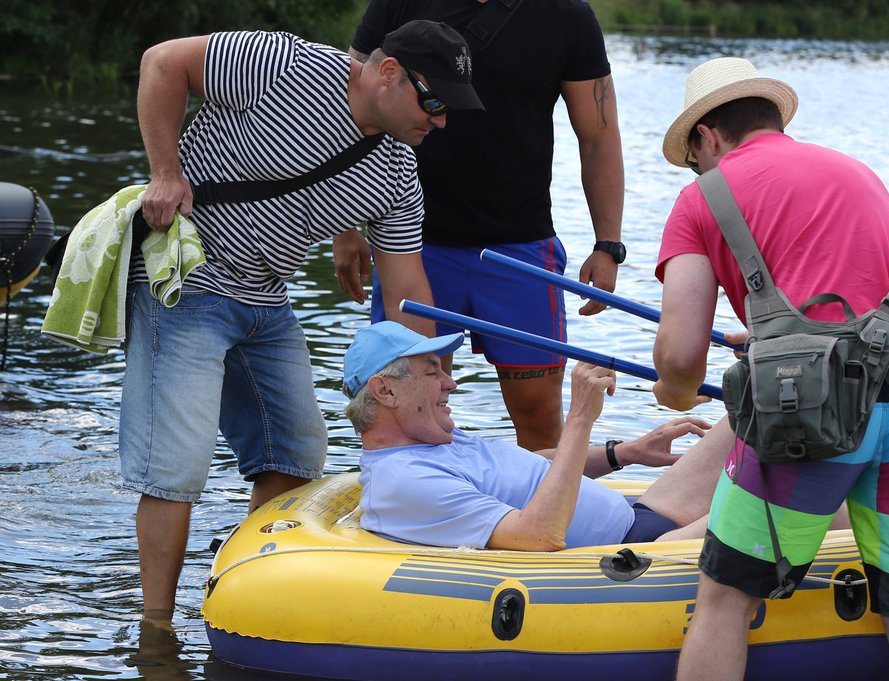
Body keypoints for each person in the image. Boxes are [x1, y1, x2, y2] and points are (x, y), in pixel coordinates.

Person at [125, 20, 484, 618]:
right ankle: (157, 631)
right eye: (435, 101)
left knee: (292, 453)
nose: (441, 120)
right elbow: (163, 61)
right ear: (388, 71)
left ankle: (237, 597)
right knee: (177, 466)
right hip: (184, 283)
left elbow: (406, 293)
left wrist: (432, 381)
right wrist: (166, 171)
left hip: (266, 298)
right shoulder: (283, 62)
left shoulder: (397, 174)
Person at [652, 58, 889, 681]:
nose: (697, 170)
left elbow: (682, 355)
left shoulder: (699, 200)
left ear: (707, 137)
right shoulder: (854, 169)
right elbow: (861, 291)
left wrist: (674, 389)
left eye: (694, 157)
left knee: (725, 599)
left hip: (811, 407)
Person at [334, 1, 626, 452]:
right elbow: (353, 105)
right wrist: (346, 223)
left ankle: (542, 518)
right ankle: (410, 513)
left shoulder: (568, 14)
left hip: (521, 247)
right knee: (405, 410)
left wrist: (607, 244)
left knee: (538, 415)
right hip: (410, 247)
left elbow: (598, 135)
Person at [342, 320, 733, 551]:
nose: (450, 382)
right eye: (432, 372)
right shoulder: (405, 480)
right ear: (385, 391)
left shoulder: (433, 439)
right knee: (779, 499)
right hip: (637, 557)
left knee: (752, 413)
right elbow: (537, 536)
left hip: (640, 516)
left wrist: (623, 453)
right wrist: (580, 417)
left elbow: (532, 469)